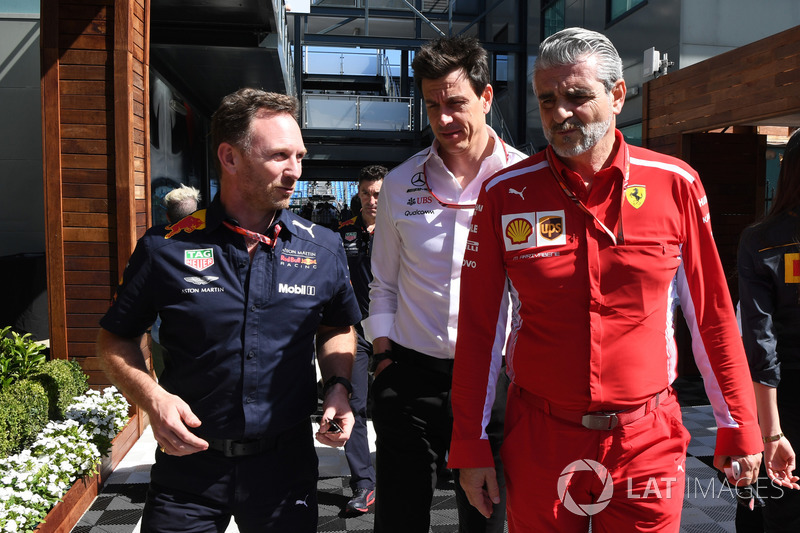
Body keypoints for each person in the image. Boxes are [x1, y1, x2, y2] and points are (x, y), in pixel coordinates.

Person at [449, 27, 763, 532]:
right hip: (541, 438)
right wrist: (469, 442)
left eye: (577, 96)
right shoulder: (504, 194)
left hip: (647, 440)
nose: (559, 113)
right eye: (547, 99)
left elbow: (712, 315)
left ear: (618, 95)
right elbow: (480, 329)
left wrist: (740, 423)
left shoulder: (675, 184)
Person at [96, 88, 361, 532]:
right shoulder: (167, 248)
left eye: (299, 155)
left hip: (285, 469)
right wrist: (152, 399)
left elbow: (337, 326)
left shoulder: (324, 247)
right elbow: (114, 338)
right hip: (189, 469)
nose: (295, 171)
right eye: (279, 156)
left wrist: (337, 385)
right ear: (230, 157)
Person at [364, 35, 526, 532]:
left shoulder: (527, 178)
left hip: (496, 381)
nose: (444, 118)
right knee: (400, 523)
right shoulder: (399, 183)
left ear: (486, 97)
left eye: (456, 103)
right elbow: (383, 283)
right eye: (432, 105)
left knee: (487, 522)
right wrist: (384, 355)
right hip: (412, 379)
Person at [737, 129, 800, 531]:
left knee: (773, 506)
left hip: (776, 399)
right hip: (780, 392)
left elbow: (760, 339)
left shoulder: (760, 240)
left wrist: (770, 430)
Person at [335, 164, 387, 513]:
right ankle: (363, 484)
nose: (371, 200)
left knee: (393, 406)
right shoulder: (343, 233)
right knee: (353, 405)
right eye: (366, 193)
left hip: (394, 331)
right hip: (355, 331)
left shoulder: (403, 229)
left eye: (378, 194)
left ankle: (396, 472)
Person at [149, 184, 202, 378]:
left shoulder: (153, 249)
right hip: (205, 338)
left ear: (168, 218)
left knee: (168, 390)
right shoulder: (217, 246)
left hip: (163, 336)